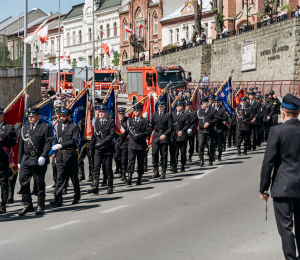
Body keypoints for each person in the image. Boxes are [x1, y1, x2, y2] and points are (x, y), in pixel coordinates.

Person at [260, 93, 300, 260]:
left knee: (285, 228)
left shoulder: (276, 131)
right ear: (298, 112)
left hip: (282, 186)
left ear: (283, 112)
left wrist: (263, 187)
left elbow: (269, 161)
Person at [18, 107, 52, 216]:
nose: (30, 118)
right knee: (23, 181)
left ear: (37, 115)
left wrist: (43, 156)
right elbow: (21, 145)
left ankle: (40, 206)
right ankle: (28, 205)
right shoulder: (25, 127)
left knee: (39, 183)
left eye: (32, 116)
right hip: (26, 159)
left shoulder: (44, 127)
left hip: (38, 159)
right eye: (29, 116)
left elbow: (48, 143)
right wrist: (19, 160)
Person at [50, 108, 81, 207]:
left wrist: (62, 145)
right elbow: (55, 139)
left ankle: (77, 196)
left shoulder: (74, 127)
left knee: (74, 178)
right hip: (60, 156)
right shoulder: (57, 126)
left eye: (64, 116)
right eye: (60, 116)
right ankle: (58, 199)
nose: (62, 118)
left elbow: (74, 140)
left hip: (70, 155)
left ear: (68, 116)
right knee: (60, 178)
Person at [87, 105, 115, 195]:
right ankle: (96, 187)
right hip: (98, 149)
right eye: (100, 111)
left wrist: (101, 143)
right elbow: (94, 136)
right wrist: (91, 146)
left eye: (103, 111)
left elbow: (110, 136)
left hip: (107, 148)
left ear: (107, 112)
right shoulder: (96, 122)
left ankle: (110, 187)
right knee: (96, 168)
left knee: (108, 168)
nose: (101, 113)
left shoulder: (110, 122)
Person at [125, 105, 151, 185]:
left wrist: (140, 135)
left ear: (140, 111)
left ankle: (139, 178)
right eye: (134, 110)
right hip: (132, 144)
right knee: (131, 161)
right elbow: (126, 132)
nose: (135, 112)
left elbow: (149, 131)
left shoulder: (145, 121)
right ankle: (129, 178)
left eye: (137, 110)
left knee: (140, 162)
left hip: (140, 144)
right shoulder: (130, 120)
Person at [150, 101, 173, 179]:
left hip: (164, 135)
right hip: (156, 135)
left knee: (164, 155)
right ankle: (156, 171)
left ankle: (163, 172)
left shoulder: (168, 115)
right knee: (154, 153)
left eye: (161, 106)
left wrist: (165, 135)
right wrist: (147, 137)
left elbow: (170, 127)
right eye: (158, 106)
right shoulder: (154, 114)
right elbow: (151, 127)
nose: (159, 108)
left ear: (164, 106)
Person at [0, 108, 17, 213]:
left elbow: (13, 142)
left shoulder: (8, 128)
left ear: (2, 116)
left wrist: (1, 143)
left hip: (2, 159)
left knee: (3, 183)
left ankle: (3, 204)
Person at [172, 101, 190, 173]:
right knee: (175, 152)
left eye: (179, 106)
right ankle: (175, 165)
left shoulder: (185, 115)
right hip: (175, 135)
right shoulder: (173, 115)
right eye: (177, 106)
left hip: (182, 136)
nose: (178, 107)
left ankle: (183, 165)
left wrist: (182, 131)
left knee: (183, 152)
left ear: (182, 107)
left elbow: (187, 124)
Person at [114, 107, 129, 182]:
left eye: (122, 113)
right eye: (120, 114)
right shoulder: (115, 122)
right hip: (117, 143)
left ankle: (123, 173)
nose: (121, 115)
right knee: (116, 157)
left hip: (124, 142)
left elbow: (127, 132)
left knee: (124, 159)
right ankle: (119, 168)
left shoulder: (128, 121)